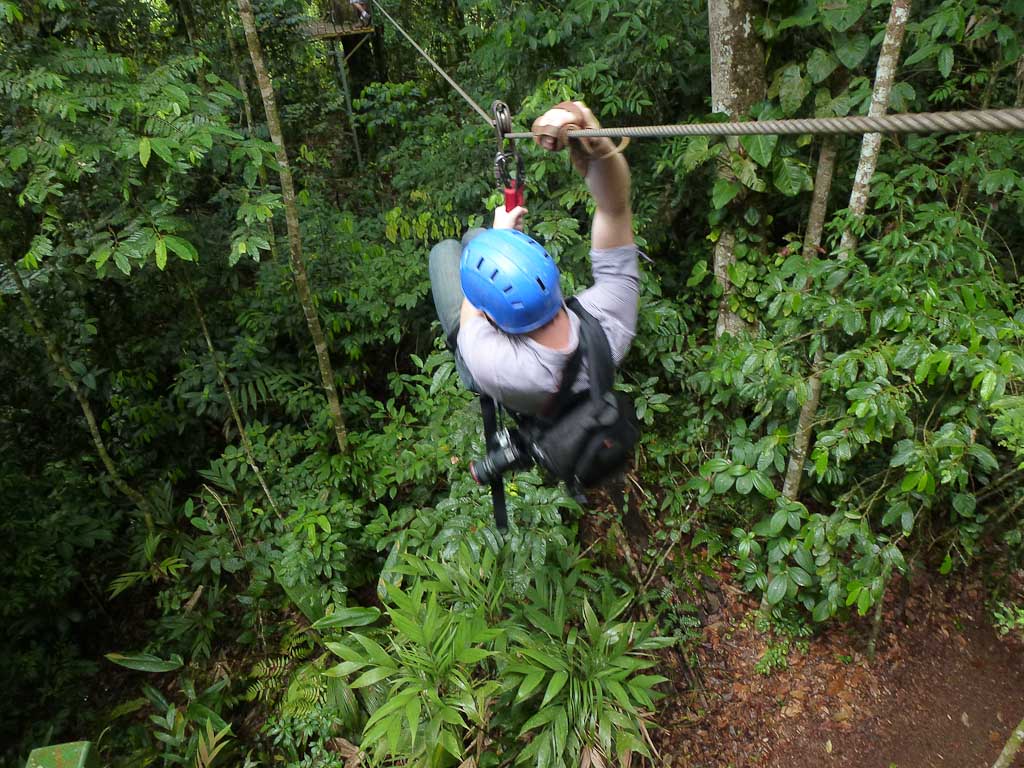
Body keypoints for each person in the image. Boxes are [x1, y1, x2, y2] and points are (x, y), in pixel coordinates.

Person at [428, 100, 639, 417]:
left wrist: (497, 236)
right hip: (559, 385)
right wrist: (592, 140)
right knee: (475, 238)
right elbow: (615, 208)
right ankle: (485, 241)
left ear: (495, 318)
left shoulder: (494, 365)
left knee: (444, 250)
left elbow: (473, 308)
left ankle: (483, 242)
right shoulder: (611, 326)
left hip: (483, 368)